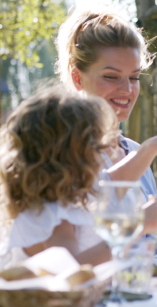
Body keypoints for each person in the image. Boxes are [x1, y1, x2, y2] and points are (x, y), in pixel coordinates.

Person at [55, 9, 157, 224]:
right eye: (111, 76)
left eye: (134, 77)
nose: (127, 89)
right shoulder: (60, 152)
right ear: (77, 78)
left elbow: (145, 235)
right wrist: (152, 147)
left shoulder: (133, 151)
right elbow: (79, 239)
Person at [0, 89, 118, 268]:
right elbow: (69, 273)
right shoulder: (52, 215)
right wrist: (134, 232)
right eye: (95, 147)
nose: (102, 156)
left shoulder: (55, 207)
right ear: (70, 159)